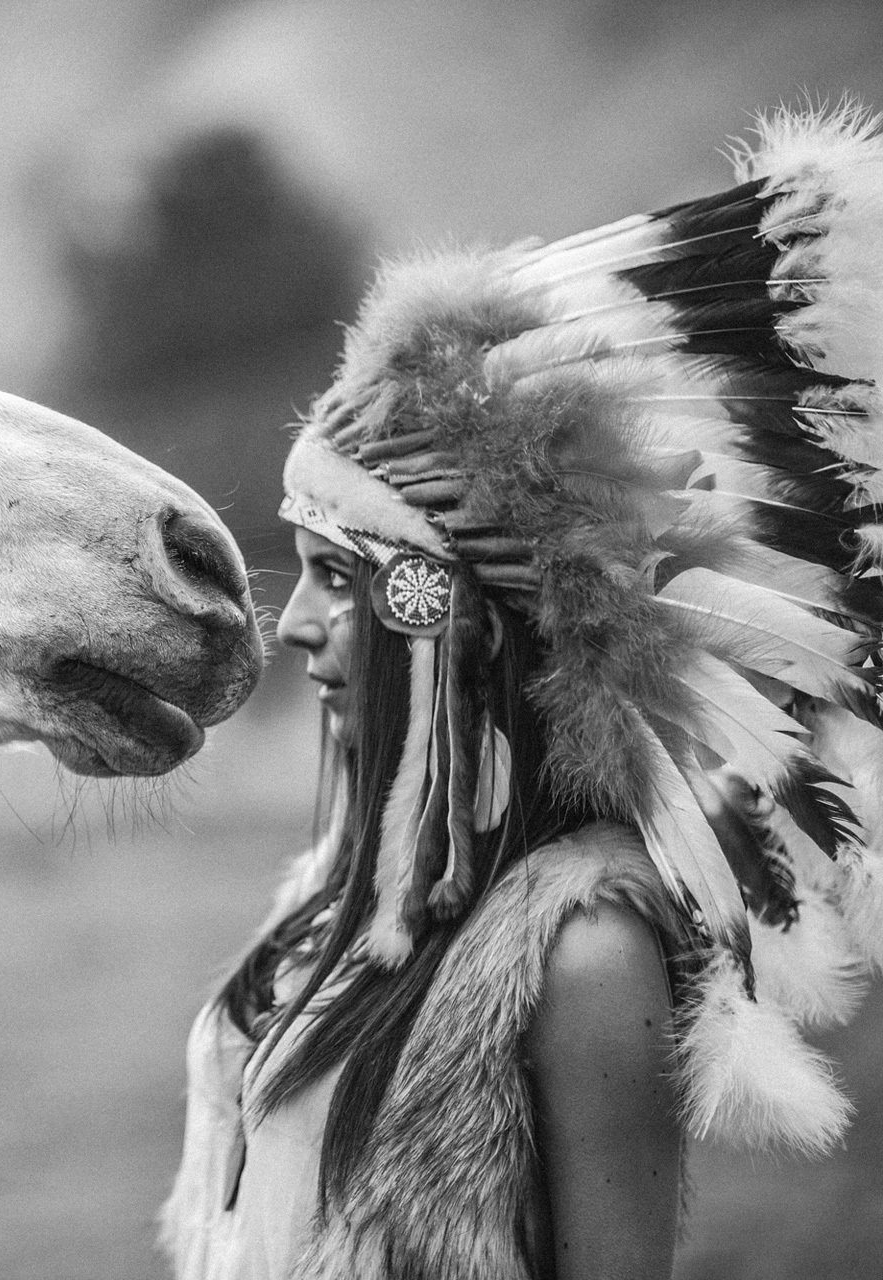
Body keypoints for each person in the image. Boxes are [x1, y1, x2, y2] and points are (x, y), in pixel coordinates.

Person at [161, 106, 883, 1280]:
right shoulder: (358, 879)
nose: (291, 623)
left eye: (340, 576)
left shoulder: (583, 950)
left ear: (447, 617)